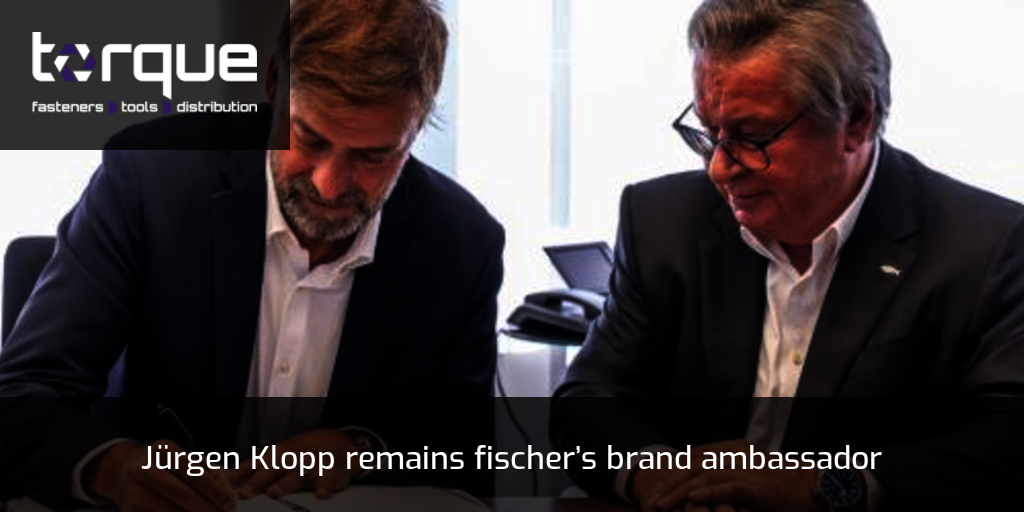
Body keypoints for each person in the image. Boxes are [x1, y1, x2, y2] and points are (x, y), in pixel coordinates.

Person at [0, 0, 503, 510]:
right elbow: (22, 395)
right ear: (273, 84)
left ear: (416, 128)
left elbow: (465, 454)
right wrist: (114, 467)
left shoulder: (463, 245)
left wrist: (361, 449)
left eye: (373, 156)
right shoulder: (151, 179)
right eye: (309, 139)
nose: (329, 186)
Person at [551, 0, 1024, 510]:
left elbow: (1007, 441)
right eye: (708, 133)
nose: (718, 169)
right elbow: (587, 403)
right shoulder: (662, 221)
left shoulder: (987, 245)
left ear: (857, 118)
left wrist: (827, 487)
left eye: (752, 137)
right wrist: (660, 477)